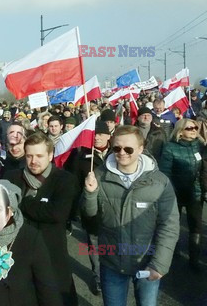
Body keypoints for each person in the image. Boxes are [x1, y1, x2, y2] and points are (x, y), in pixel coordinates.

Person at [82, 125, 179, 306]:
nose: (122, 153)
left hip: (146, 260)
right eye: (117, 148)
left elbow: (169, 225)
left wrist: (159, 264)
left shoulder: (159, 182)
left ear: (141, 149)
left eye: (128, 149)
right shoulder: (98, 176)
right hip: (112, 261)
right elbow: (89, 218)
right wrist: (90, 193)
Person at [4, 133, 79, 305]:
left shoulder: (65, 180)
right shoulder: (11, 177)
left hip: (52, 255)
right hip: (18, 255)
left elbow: (57, 213)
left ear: (50, 155)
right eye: (29, 155)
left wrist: (22, 202)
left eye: (39, 156)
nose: (33, 161)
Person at [64, 121, 112, 295]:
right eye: (95, 134)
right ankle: (98, 278)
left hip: (114, 211)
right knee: (95, 245)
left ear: (109, 135)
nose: (97, 137)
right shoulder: (83, 156)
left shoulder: (118, 153)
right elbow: (74, 184)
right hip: (91, 210)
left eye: (101, 134)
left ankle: (113, 276)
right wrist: (75, 209)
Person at [159, 119, 204, 270]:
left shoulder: (199, 146)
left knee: (195, 226)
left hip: (195, 193)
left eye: (195, 127)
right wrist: (170, 192)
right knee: (173, 225)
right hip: (175, 193)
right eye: (189, 128)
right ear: (180, 131)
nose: (193, 130)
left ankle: (194, 259)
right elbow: (165, 173)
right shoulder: (170, 148)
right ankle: (173, 252)